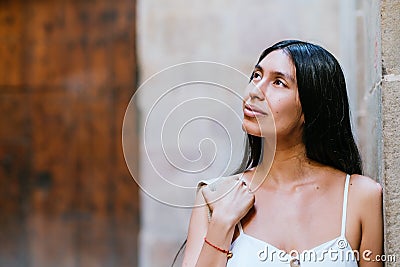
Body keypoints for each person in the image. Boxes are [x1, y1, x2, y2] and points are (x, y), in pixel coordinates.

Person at [181, 40, 383, 266]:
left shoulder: (361, 196)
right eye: (257, 76)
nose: (255, 91)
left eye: (278, 82)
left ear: (311, 107)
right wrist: (221, 225)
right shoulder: (214, 196)